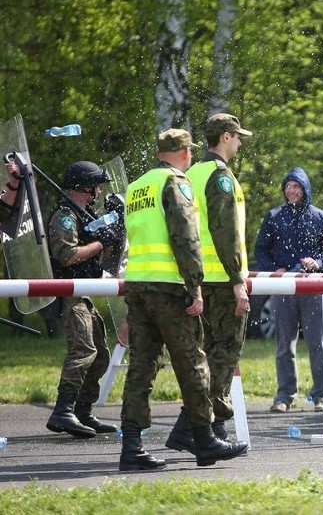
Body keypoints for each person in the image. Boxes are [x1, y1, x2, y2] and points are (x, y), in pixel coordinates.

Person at [120, 129, 247, 471]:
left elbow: (133, 240)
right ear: (182, 152)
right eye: (189, 150)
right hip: (170, 287)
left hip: (138, 285)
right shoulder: (175, 181)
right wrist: (194, 286)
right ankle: (204, 441)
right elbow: (185, 236)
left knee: (141, 367)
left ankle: (131, 446)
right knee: (193, 363)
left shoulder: (137, 186)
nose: (191, 155)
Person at [166, 113, 252, 451]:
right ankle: (204, 426)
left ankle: (197, 428)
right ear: (226, 137)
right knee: (224, 355)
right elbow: (225, 231)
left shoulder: (191, 172)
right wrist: (237, 280)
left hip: (200, 280)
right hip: (221, 281)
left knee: (206, 355)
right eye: (238, 136)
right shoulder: (220, 177)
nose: (241, 142)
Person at [45, 160, 119, 439]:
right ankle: (63, 411)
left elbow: (100, 256)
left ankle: (83, 411)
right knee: (83, 351)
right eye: (95, 186)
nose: (98, 191)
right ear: (84, 186)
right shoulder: (66, 215)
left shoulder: (84, 215)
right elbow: (67, 256)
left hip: (83, 293)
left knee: (100, 355)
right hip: (68, 294)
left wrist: (110, 239)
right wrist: (99, 243)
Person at [255, 168, 323, 413]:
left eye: (296, 186)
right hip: (283, 288)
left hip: (314, 288)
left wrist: (318, 263)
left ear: (305, 189)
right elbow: (261, 251)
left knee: (317, 344)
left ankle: (321, 395)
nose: (291, 190)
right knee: (284, 345)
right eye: (288, 186)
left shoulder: (321, 218)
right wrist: (272, 269)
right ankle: (284, 396)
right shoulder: (274, 216)